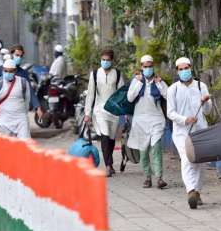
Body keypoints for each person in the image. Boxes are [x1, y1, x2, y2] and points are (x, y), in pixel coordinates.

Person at [167, 57, 212, 209]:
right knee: (187, 159)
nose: (184, 71)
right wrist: (185, 119)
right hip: (181, 132)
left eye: (186, 68)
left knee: (200, 161)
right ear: (177, 71)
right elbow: (170, 113)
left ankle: (197, 192)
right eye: (181, 69)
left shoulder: (201, 86)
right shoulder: (173, 89)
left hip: (200, 130)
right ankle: (190, 190)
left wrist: (205, 103)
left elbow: (207, 111)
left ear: (191, 68)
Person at [127, 55, 168, 188]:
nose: (148, 69)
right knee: (143, 151)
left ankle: (159, 177)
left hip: (156, 119)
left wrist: (159, 84)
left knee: (156, 148)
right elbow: (130, 98)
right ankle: (147, 177)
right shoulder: (136, 81)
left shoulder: (159, 81)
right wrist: (138, 82)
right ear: (141, 67)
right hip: (140, 121)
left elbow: (168, 95)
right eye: (145, 66)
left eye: (150, 66)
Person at [84, 49, 124, 177]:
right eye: (103, 60)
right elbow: (90, 94)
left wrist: (124, 111)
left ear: (112, 61)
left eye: (107, 60)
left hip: (114, 111)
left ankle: (110, 162)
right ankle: (107, 165)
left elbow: (122, 93)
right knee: (105, 135)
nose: (105, 62)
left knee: (111, 138)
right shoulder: (95, 74)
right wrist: (87, 113)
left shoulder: (117, 74)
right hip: (100, 110)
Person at [0, 59, 31, 138]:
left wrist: (24, 113)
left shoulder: (23, 82)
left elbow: (27, 100)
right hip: (4, 122)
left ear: (15, 71)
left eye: (11, 71)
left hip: (21, 121)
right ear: (2, 70)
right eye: (6, 71)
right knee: (7, 148)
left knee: (25, 146)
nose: (8, 73)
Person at [9, 44, 43, 118]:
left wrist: (37, 107)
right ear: (11, 55)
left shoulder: (23, 73)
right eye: (17, 55)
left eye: (21, 56)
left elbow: (30, 91)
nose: (19, 58)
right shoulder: (2, 70)